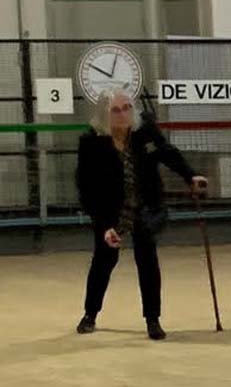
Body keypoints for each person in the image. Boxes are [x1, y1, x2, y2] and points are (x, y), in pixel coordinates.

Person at [75, 87, 208, 339]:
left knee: (147, 258)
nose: (123, 114)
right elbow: (87, 189)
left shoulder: (144, 130)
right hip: (109, 209)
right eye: (115, 110)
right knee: (104, 260)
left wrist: (190, 176)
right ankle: (90, 314)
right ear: (104, 114)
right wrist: (104, 226)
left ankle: (153, 319)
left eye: (127, 108)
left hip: (145, 205)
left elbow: (167, 152)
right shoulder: (90, 143)